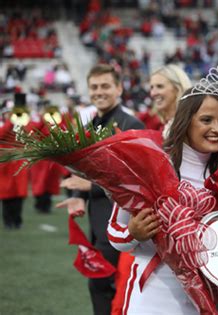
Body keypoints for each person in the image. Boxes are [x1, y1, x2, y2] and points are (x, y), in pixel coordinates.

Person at [107, 68, 218, 314]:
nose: (217, 129)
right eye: (206, 120)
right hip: (155, 296)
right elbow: (114, 232)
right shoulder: (150, 166)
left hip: (210, 298)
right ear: (186, 122)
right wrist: (133, 233)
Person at [57, 64, 145, 315]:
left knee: (117, 294)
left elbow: (136, 177)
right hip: (98, 225)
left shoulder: (131, 123)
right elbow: (84, 171)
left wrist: (92, 186)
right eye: (94, 87)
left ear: (119, 88)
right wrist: (78, 197)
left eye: (105, 86)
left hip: (122, 225)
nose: (99, 92)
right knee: (99, 289)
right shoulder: (90, 125)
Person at [137, 64, 192, 143]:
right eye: (151, 87)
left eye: (160, 86)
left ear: (177, 89)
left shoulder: (192, 122)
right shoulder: (148, 120)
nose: (153, 93)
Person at [0, 94, 29, 229]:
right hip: (5, 166)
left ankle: (18, 221)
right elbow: (3, 133)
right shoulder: (4, 125)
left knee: (19, 195)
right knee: (7, 196)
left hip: (18, 164)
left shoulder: (19, 124)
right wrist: (12, 120)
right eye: (7, 113)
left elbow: (29, 133)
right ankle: (8, 222)